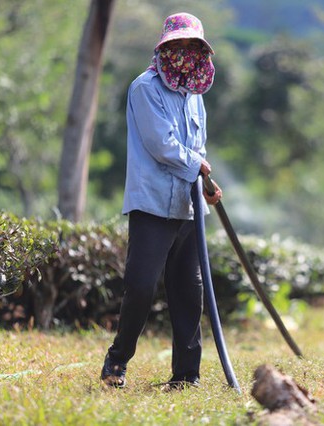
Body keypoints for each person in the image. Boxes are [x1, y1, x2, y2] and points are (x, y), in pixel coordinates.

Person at [101, 12, 222, 390]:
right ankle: (117, 361)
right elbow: (162, 145)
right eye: (177, 45)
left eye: (192, 46)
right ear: (165, 47)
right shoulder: (145, 87)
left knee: (189, 289)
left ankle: (187, 375)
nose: (184, 52)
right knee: (140, 285)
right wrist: (197, 165)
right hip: (152, 204)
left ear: (200, 51)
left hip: (188, 207)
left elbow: (196, 146)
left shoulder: (194, 95)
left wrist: (205, 182)